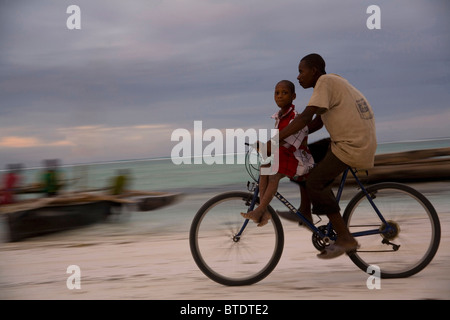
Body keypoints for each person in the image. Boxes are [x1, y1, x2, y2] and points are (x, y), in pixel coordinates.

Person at [268, 53, 377, 259]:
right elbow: (316, 123)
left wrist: (273, 141)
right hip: (351, 141)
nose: (298, 77)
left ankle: (345, 238)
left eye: (301, 71)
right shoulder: (332, 82)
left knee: (316, 182)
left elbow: (306, 118)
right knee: (304, 156)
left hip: (352, 145)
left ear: (314, 71)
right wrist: (290, 139)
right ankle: (305, 211)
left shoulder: (325, 82)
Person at [241, 80, 322, 227]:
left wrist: (267, 147)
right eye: (277, 93)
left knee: (274, 176)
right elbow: (278, 142)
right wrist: (265, 147)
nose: (279, 96)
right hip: (285, 155)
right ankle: (264, 210)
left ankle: (260, 210)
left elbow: (289, 143)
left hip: (299, 159)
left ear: (294, 96)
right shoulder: (279, 117)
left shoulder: (295, 118)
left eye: (284, 93)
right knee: (264, 167)